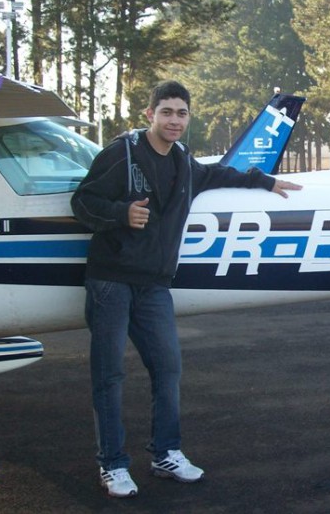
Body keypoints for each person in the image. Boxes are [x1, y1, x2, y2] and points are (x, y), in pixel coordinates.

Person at [71, 80, 302, 498]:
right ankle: (112, 464)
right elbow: (82, 202)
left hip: (155, 286)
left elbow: (216, 174)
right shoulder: (121, 154)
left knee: (168, 369)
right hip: (111, 280)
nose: (174, 120)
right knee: (109, 376)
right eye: (167, 112)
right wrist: (121, 213)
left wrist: (263, 182)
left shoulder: (182, 160)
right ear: (150, 115)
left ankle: (166, 453)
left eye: (181, 113)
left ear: (187, 118)